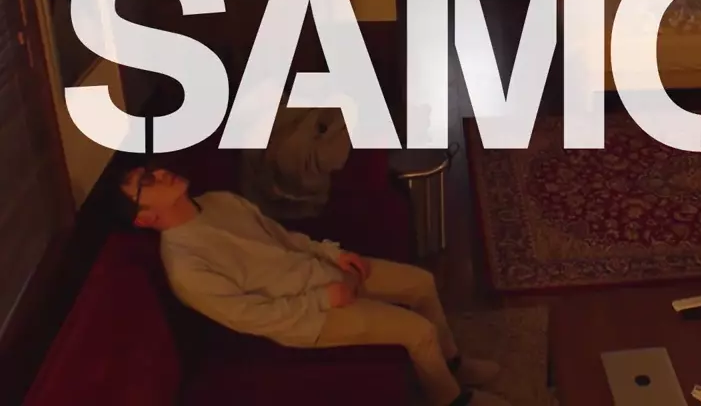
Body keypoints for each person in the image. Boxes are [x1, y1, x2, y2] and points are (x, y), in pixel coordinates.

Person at [119, 165, 510, 406]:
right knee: (417, 332)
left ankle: (453, 364)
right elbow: (252, 317)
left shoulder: (219, 201)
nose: (160, 173)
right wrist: (324, 299)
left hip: (321, 271)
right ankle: (450, 400)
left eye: (152, 169)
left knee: (421, 283)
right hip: (307, 318)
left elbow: (283, 237)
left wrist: (332, 254)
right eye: (147, 182)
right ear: (144, 218)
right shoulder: (186, 267)